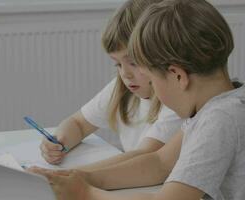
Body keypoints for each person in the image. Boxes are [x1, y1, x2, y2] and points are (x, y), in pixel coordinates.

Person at [30, 0, 245, 199]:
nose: (153, 90)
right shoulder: (221, 101)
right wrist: (83, 178)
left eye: (152, 79)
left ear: (177, 75)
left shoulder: (220, 121)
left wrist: (85, 193)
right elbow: (159, 162)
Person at [39, 0, 183, 173]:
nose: (125, 74)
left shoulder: (176, 101)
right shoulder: (122, 89)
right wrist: (59, 142)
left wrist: (71, 176)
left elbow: (145, 157)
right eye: (118, 64)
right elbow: (78, 123)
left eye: (134, 63)